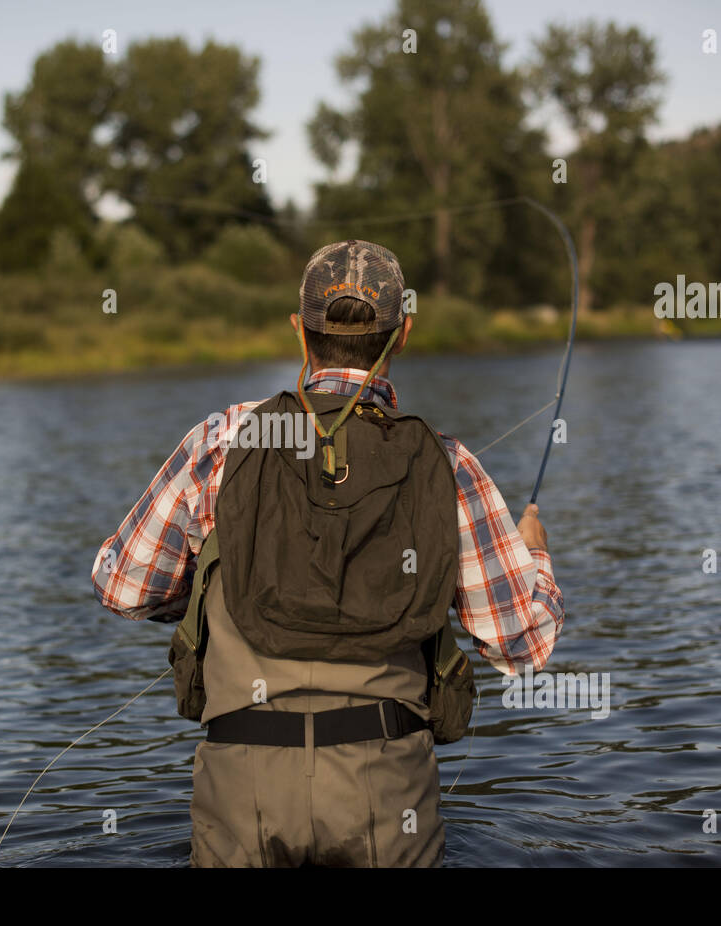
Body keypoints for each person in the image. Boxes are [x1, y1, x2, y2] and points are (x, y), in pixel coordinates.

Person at [92, 239, 565, 867]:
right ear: (403, 336)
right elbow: (522, 643)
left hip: (242, 782)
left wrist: (213, 578)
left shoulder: (222, 441)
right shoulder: (448, 465)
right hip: (386, 784)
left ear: (299, 330)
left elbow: (122, 590)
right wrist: (537, 560)